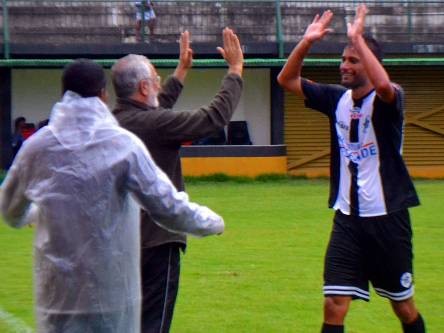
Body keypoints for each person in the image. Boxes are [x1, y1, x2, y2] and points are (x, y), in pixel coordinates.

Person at [0, 59, 225, 333]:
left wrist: (36, 212)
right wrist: (211, 221)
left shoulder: (36, 147)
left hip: (57, 296)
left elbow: (10, 210)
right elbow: (166, 206)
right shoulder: (122, 145)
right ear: (103, 95)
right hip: (113, 294)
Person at [278, 5, 426, 333]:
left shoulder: (390, 100)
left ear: (370, 66)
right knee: (334, 304)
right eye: (344, 59)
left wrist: (357, 37)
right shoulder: (336, 99)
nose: (344, 65)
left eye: (353, 60)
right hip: (347, 221)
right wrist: (306, 43)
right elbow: (286, 79)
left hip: (388, 221)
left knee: (403, 307)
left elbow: (385, 86)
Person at [111, 28, 243, 333]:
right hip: (157, 241)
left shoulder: (113, 121)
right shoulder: (154, 124)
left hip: (118, 244)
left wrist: (181, 72)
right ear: (144, 87)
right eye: (156, 78)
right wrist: (235, 72)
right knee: (153, 325)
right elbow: (212, 118)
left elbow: (153, 110)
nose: (159, 83)